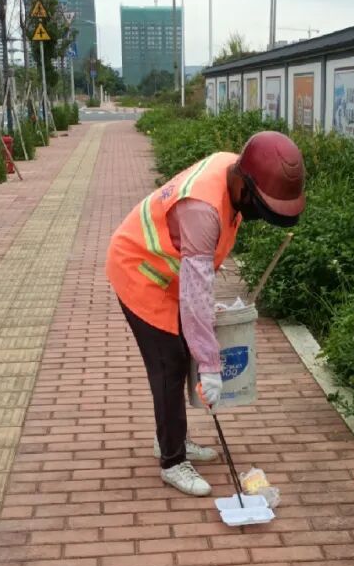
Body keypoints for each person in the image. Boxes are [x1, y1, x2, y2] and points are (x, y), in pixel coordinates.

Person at [106, 131, 306, 496]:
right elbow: (195, 296)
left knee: (182, 351)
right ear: (244, 184)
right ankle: (172, 461)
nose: (256, 215)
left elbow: (197, 283)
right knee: (168, 363)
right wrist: (210, 366)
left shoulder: (235, 167)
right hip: (140, 273)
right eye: (258, 206)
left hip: (168, 274)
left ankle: (171, 437)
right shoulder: (203, 209)